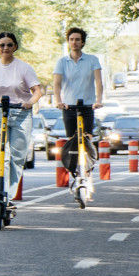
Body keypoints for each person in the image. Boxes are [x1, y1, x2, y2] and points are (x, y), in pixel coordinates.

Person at [0, 31, 43, 203]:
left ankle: (8, 196)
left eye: (9, 44)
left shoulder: (24, 68)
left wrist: (29, 102)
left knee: (17, 157)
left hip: (20, 113)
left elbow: (37, 91)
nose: (5, 48)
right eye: (2, 45)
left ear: (15, 47)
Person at [52, 27, 104, 184]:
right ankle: (75, 172)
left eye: (77, 40)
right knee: (72, 141)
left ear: (82, 42)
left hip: (88, 106)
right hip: (69, 107)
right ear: (68, 42)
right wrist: (58, 101)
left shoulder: (92, 59)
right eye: (71, 39)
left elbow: (99, 82)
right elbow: (57, 84)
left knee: (87, 140)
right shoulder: (62, 61)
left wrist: (99, 100)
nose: (74, 42)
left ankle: (88, 173)